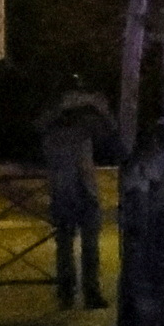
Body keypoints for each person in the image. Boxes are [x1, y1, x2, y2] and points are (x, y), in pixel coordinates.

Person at [35, 85, 117, 310]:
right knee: (67, 246)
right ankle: (68, 294)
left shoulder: (82, 126)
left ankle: (87, 293)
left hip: (84, 192)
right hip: (65, 193)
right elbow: (41, 127)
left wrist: (100, 110)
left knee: (87, 246)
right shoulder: (54, 129)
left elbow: (111, 135)